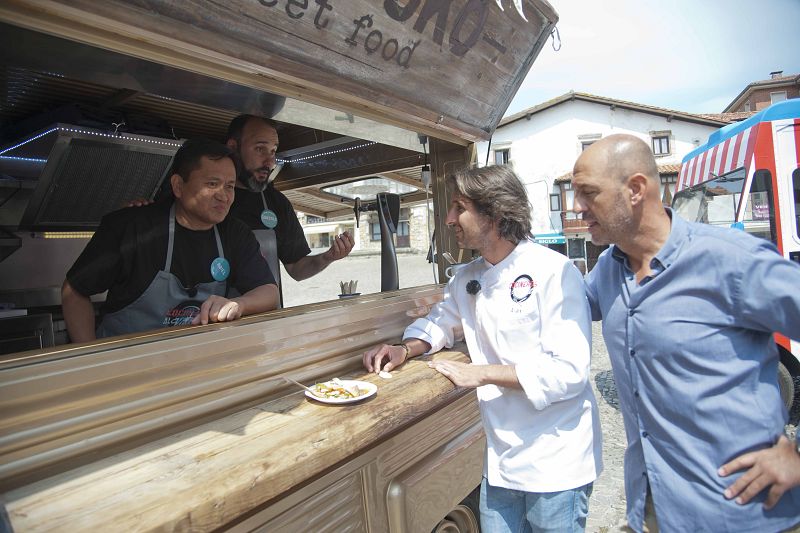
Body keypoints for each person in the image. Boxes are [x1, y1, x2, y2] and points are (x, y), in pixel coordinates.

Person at [572, 134, 800, 532]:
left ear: (636, 189)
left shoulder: (730, 260)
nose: (577, 208)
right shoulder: (608, 270)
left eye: (589, 193)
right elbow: (548, 305)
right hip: (655, 511)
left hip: (745, 516)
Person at [363, 165, 603, 532]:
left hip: (556, 459)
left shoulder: (554, 271)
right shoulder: (467, 278)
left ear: (494, 213)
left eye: (459, 207)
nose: (448, 219)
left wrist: (481, 374)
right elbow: (441, 323)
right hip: (502, 459)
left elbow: (567, 373)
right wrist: (404, 349)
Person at [62, 139, 279, 342]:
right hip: (124, 365)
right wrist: (91, 359)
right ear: (178, 185)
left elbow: (269, 292)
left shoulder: (234, 233)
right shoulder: (132, 227)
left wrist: (238, 304)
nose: (223, 195)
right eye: (212, 184)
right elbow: (75, 291)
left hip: (191, 362)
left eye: (229, 186)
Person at [225, 115, 354, 281]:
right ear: (233, 147)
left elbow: (296, 267)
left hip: (268, 307)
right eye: (260, 149)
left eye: (273, 151)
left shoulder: (276, 203)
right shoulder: (206, 198)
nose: (270, 162)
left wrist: (327, 257)